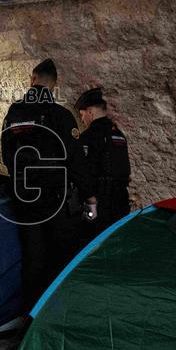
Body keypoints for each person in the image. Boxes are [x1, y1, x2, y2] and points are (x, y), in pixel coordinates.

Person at [1, 59, 95, 312]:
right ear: (54, 84)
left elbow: (6, 156)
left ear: (32, 79)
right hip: (56, 202)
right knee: (61, 258)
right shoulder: (61, 116)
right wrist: (90, 198)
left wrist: (21, 182)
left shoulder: (14, 113)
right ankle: (58, 315)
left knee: (33, 259)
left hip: (25, 200)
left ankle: (30, 317)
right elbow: (77, 162)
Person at [74, 87, 131, 239]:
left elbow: (83, 172)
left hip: (100, 203)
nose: (82, 119)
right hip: (121, 200)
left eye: (82, 114)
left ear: (90, 112)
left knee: (94, 243)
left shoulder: (88, 137)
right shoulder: (118, 134)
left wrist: (90, 201)